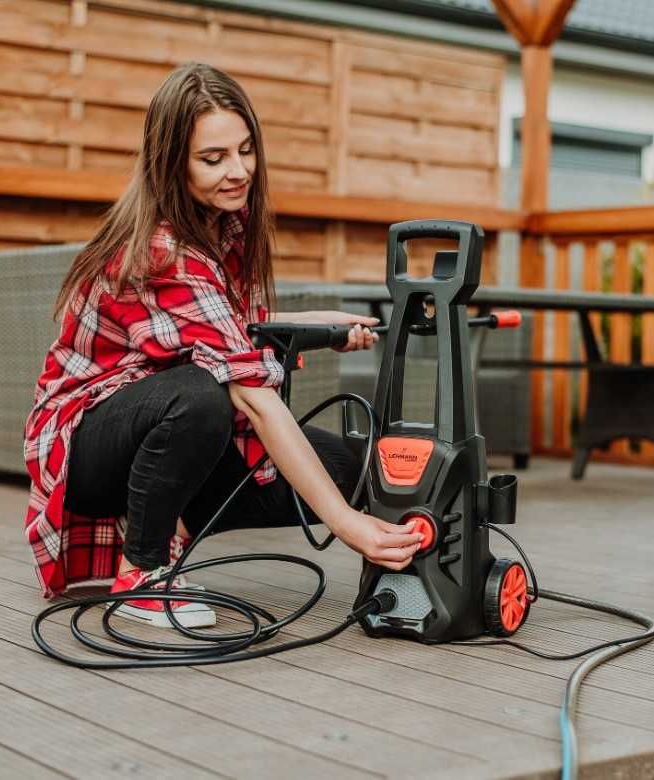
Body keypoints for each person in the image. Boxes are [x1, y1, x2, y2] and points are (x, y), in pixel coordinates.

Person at [23, 62, 423, 629]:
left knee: (348, 467)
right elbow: (253, 394)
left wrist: (326, 325)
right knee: (203, 397)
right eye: (213, 159)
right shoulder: (162, 251)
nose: (238, 171)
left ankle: (171, 528)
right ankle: (141, 574)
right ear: (171, 163)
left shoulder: (221, 225)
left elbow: (236, 328)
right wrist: (347, 525)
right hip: (86, 446)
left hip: (161, 421)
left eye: (245, 151)